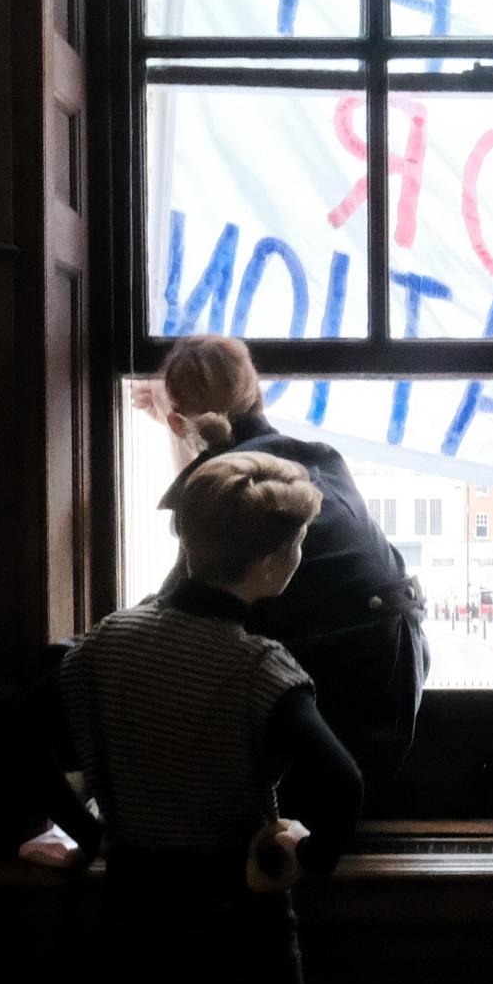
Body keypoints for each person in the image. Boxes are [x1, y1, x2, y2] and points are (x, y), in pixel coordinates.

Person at [55, 450, 364, 984]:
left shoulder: (104, 643)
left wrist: (92, 834)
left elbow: (18, 754)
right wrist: (307, 860)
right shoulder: (259, 667)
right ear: (272, 562)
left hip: (132, 909)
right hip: (238, 920)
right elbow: (343, 783)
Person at [140, 333, 430, 784]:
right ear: (259, 391)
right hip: (398, 676)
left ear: (178, 423)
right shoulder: (320, 459)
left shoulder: (232, 493)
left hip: (333, 706)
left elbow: (181, 607)